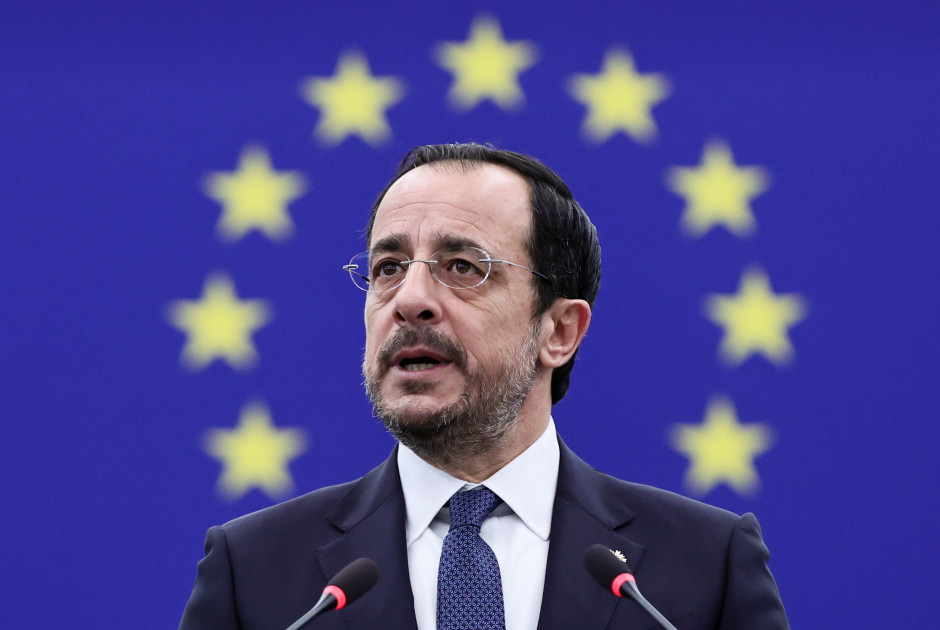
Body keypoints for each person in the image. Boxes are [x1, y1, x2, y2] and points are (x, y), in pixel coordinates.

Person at [179, 143, 789, 629]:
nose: (409, 299)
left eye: (463, 267)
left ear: (559, 331)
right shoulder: (253, 571)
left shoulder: (706, 564)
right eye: (388, 268)